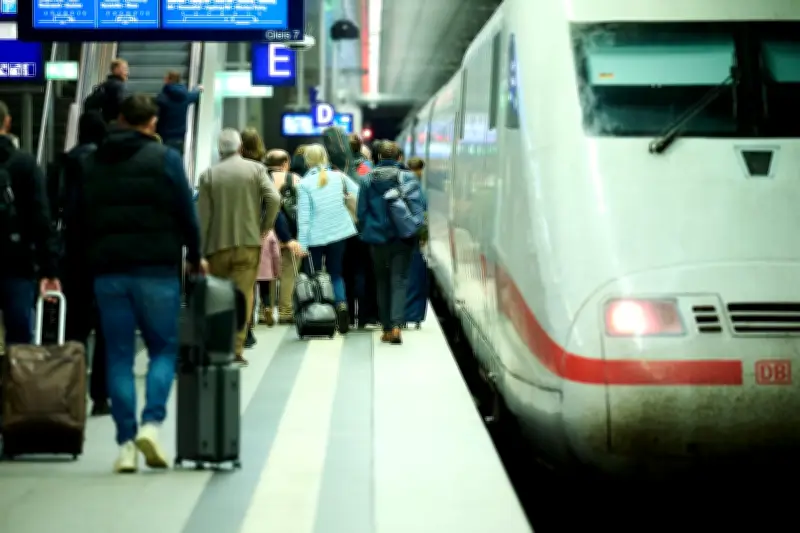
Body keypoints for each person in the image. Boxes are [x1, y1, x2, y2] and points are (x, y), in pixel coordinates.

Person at [77, 94, 204, 473]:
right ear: (152, 124)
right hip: (157, 271)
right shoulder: (165, 159)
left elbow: (80, 218)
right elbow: (186, 212)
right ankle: (151, 424)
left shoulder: (92, 161)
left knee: (118, 356)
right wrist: (195, 255)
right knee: (163, 350)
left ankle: (126, 444)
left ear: (119, 120)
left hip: (109, 273)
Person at [196, 128, 280, 365]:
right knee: (243, 295)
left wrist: (200, 250)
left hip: (217, 246)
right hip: (248, 243)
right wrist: (264, 226)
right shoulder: (256, 169)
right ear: (240, 148)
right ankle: (236, 349)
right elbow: (274, 198)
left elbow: (203, 217)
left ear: (219, 150)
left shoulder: (208, 175)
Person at [58, 110, 111, 416]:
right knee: (105, 327)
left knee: (75, 327)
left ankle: (72, 392)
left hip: (73, 255)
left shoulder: (65, 163)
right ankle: (100, 396)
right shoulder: (105, 163)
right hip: (103, 254)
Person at [0, 100, 61, 349]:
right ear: (7, 122)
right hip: (17, 262)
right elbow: (41, 218)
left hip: (18, 262)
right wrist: (50, 269)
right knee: (19, 338)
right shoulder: (24, 163)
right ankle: (16, 373)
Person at [356, 141, 425, 344]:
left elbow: (361, 212)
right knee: (400, 281)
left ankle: (386, 328)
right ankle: (396, 326)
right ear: (399, 158)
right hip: (403, 238)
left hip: (377, 240)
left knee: (382, 281)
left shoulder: (367, 180)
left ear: (378, 157)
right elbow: (420, 206)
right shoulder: (409, 178)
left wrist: (370, 229)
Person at [297, 144, 360, 333]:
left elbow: (304, 218)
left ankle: (321, 313)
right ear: (325, 157)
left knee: (315, 276)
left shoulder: (304, 184)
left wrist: (302, 245)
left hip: (315, 237)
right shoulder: (339, 177)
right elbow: (358, 193)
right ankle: (341, 305)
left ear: (307, 161)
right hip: (339, 232)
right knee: (336, 273)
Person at [240, 128, 280, 332]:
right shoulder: (261, 171)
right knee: (260, 274)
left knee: (243, 280)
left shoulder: (231, 169)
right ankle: (265, 308)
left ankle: (246, 323)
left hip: (233, 230)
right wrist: (266, 225)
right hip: (256, 229)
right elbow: (273, 199)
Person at [264, 149, 303, 324]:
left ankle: (265, 310)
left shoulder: (261, 179)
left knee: (268, 272)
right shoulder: (295, 179)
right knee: (289, 273)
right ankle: (286, 311)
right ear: (285, 163)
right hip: (291, 232)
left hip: (266, 232)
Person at [155, 70, 203, 155]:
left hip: (164, 136)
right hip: (180, 137)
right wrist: (197, 89)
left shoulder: (161, 98)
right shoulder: (185, 96)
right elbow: (194, 95)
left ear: (168, 80)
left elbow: (156, 116)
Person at [85, 58, 129, 123]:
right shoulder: (118, 85)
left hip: (104, 121)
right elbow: (120, 105)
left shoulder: (105, 84)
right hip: (114, 121)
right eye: (124, 69)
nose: (127, 72)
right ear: (116, 70)